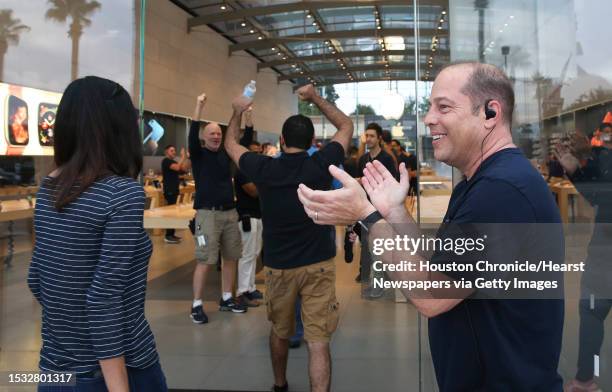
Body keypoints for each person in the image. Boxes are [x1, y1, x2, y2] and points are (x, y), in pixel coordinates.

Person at [297, 62, 565, 391]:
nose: (428, 118)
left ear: (490, 113)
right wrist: (394, 213)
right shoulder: (481, 182)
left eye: (444, 107)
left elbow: (430, 294)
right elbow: (441, 265)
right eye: (429, 107)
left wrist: (366, 216)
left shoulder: (502, 190)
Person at [28, 76, 167, 391]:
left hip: (54, 371)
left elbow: (37, 278)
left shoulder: (49, 186)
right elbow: (103, 299)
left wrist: (70, 334)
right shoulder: (122, 194)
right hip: (119, 371)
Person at [224, 84, 353, 392]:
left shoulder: (264, 168)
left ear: (281, 141)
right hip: (319, 264)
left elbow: (230, 144)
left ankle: (280, 384)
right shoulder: (321, 163)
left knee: (280, 331)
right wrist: (315, 98)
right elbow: (346, 125)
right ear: (311, 142)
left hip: (279, 266)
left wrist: (237, 111)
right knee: (318, 340)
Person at [556, 123, 612, 392]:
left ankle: (586, 379)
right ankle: (586, 378)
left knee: (592, 313)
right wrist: (575, 173)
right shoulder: (600, 163)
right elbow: (596, 198)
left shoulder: (604, 163)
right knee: (593, 313)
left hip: (605, 253)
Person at [188, 92, 253, 324]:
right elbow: (192, 129)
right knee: (205, 259)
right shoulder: (198, 154)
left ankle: (226, 298)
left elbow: (244, 143)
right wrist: (199, 105)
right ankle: (196, 304)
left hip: (229, 213)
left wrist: (248, 118)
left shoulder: (226, 154)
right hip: (207, 215)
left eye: (218, 133)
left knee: (232, 256)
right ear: (204, 138)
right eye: (212, 133)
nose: (216, 136)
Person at [355, 123, 398, 291]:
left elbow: (392, 184)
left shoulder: (387, 159)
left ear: (379, 138)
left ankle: (380, 283)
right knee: (367, 245)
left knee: (379, 246)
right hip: (365, 208)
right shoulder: (363, 159)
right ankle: (373, 280)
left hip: (381, 208)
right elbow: (359, 180)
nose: (368, 139)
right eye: (367, 135)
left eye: (372, 136)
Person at [234, 112, 264, 307]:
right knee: (246, 255)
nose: (257, 155)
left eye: (259, 152)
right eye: (253, 152)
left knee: (254, 253)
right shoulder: (242, 170)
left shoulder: (256, 170)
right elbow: (253, 191)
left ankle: (251, 287)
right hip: (247, 217)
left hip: (258, 216)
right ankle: (242, 291)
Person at [161, 144, 189, 244]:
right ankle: (168, 235)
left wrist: (186, 158)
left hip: (174, 190)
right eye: (171, 151)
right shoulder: (166, 161)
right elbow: (177, 168)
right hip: (169, 190)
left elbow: (184, 169)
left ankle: (171, 234)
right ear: (166, 152)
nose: (174, 152)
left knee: (173, 213)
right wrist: (182, 157)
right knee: (169, 213)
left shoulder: (173, 162)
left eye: (174, 151)